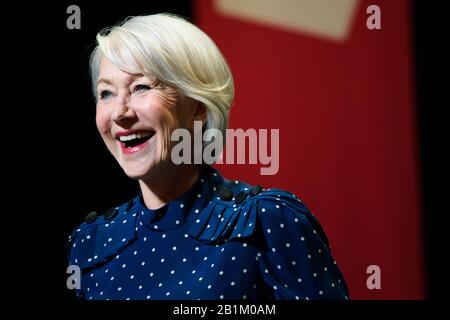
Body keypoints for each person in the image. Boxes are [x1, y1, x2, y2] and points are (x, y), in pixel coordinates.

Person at [67, 13, 349, 300]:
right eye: (106, 93)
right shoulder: (92, 244)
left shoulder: (265, 222)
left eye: (141, 87)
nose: (119, 113)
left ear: (198, 106)